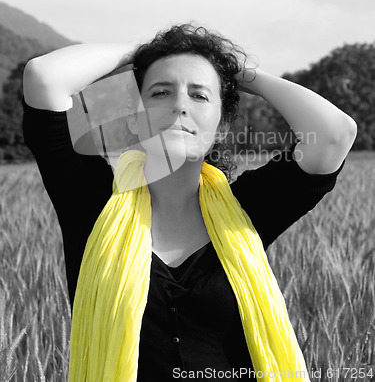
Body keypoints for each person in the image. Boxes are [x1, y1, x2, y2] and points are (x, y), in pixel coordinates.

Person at [22, 24, 357, 382]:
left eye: (200, 96)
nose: (180, 105)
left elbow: (335, 133)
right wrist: (146, 51)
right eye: (161, 92)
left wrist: (237, 72)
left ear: (223, 126)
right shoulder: (91, 201)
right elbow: (44, 78)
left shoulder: (246, 211)